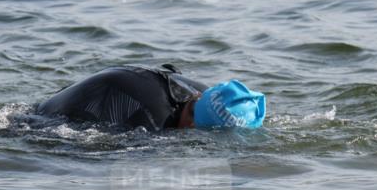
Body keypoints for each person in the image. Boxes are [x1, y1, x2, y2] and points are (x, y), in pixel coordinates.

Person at [34, 64, 266, 131]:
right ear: (195, 123)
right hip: (49, 115)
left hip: (111, 79)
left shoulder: (207, 95)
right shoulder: (151, 120)